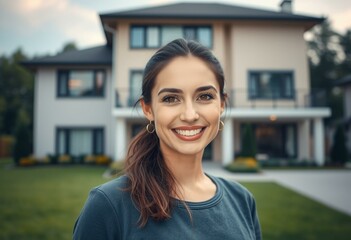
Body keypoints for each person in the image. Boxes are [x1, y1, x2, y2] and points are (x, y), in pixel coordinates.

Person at [73, 38, 261, 240]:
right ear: (148, 109)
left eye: (205, 96)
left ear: (221, 105)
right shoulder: (109, 205)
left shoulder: (242, 201)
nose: (190, 115)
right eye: (171, 99)